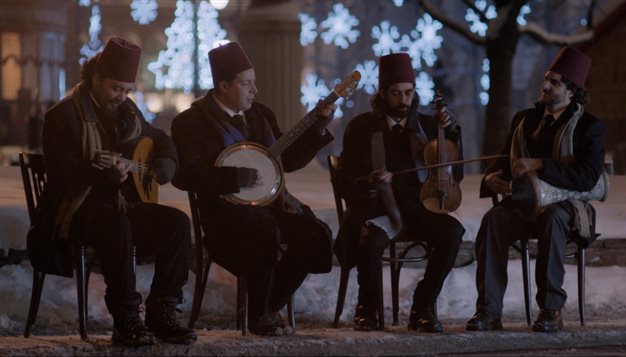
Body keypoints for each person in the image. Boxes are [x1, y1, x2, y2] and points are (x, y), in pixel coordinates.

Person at [31, 37, 196, 346]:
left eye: (127, 90)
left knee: (176, 223)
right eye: (115, 88)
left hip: (119, 204)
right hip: (75, 209)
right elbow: (60, 172)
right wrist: (98, 173)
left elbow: (160, 137)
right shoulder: (63, 116)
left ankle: (162, 311)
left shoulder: (128, 112)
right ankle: (125, 318)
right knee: (117, 226)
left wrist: (166, 162)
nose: (121, 96)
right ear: (95, 79)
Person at [171, 42, 336, 336]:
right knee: (261, 231)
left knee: (314, 234)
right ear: (223, 85)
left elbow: (288, 159)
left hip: (273, 205)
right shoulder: (190, 123)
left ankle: (266, 307)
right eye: (246, 83)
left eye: (254, 82)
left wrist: (318, 128)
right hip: (224, 216)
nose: (254, 90)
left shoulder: (261, 115)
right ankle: (261, 314)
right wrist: (233, 177)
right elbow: (185, 175)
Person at [466, 47, 604, 333]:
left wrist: (540, 164)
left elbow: (587, 177)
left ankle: (551, 310)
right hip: (524, 201)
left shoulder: (589, 127)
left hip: (567, 206)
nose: (545, 86)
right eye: (546, 79)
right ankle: (489, 312)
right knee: (494, 220)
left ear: (572, 91)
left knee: (552, 219)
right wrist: (493, 178)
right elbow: (505, 162)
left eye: (554, 82)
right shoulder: (524, 120)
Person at [334, 53, 465, 333]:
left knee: (452, 232)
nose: (403, 100)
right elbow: (345, 181)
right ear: (382, 94)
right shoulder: (360, 128)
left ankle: (423, 306)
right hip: (377, 209)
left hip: (419, 208)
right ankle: (366, 308)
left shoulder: (430, 127)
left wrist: (450, 134)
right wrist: (369, 181)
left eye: (409, 93)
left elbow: (454, 175)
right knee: (370, 242)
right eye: (396, 93)